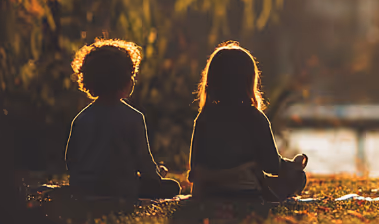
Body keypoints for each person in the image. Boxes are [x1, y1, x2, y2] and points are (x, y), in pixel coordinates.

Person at [188, 42, 308, 201]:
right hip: (244, 192)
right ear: (250, 81)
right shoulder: (255, 118)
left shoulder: (204, 118)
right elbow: (272, 166)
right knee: (298, 177)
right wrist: (292, 165)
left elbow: (194, 169)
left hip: (207, 192)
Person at [65, 39, 182, 199]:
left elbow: (71, 160)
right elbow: (144, 162)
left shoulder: (82, 118)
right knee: (172, 186)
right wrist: (156, 174)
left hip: (85, 188)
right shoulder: (133, 117)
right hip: (122, 188)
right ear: (126, 80)